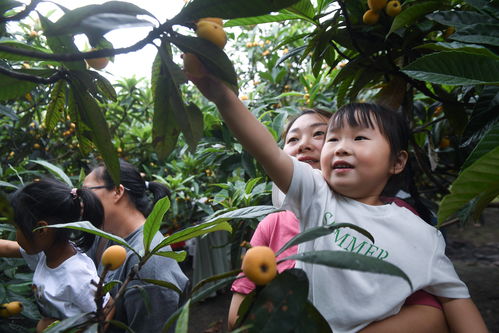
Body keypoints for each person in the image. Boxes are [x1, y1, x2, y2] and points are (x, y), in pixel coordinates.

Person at [189, 71, 488, 332]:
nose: (342, 148)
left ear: (397, 161)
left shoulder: (424, 235)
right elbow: (267, 150)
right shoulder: (317, 196)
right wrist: (223, 97)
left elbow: (456, 300)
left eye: (359, 138)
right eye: (333, 140)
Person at [228, 109, 448, 332]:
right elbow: (237, 315)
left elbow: (429, 313)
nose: (303, 144)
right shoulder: (272, 224)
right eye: (292, 139)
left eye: (320, 135)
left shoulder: (396, 215)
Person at [83, 159, 189, 333]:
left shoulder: (149, 263)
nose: (80, 200)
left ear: (117, 191)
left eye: (86, 192)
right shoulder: (104, 237)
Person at [0, 178, 110, 333]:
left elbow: (108, 309)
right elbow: (8, 247)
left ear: (41, 230)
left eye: (17, 228)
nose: (16, 235)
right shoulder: (46, 253)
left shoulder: (77, 274)